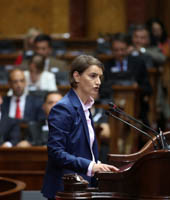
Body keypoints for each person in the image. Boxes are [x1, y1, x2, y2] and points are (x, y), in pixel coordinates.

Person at [41, 55, 118, 199]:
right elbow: (55, 152)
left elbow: (82, 148)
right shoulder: (63, 108)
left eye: (100, 77)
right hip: (64, 189)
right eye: (93, 76)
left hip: (80, 186)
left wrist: (99, 165)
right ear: (76, 76)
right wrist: (91, 166)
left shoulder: (85, 107)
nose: (98, 82)